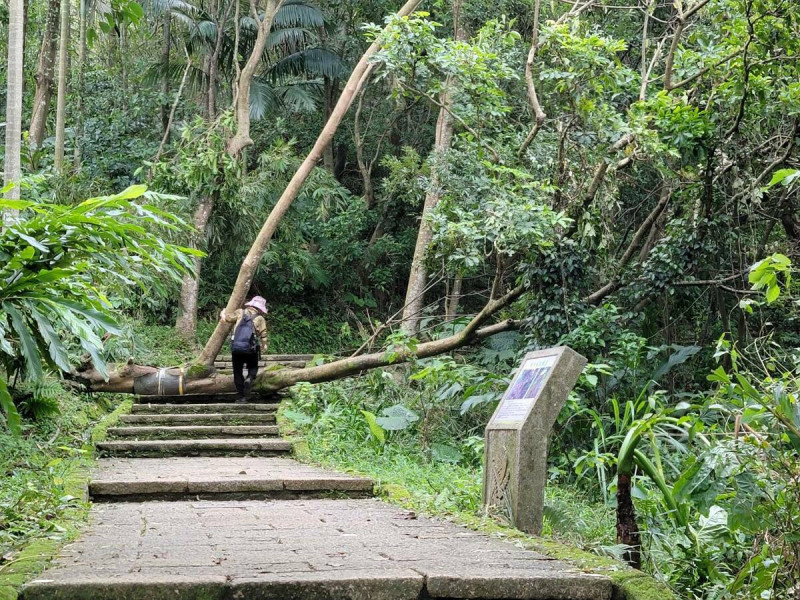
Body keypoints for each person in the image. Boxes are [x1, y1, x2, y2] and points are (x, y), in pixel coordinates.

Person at [220, 296, 269, 402]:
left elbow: (226, 319)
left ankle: (241, 395)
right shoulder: (260, 318)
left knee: (237, 371)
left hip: (237, 347)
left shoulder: (239, 312)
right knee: (253, 367)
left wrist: (223, 313)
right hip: (251, 348)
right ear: (260, 308)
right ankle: (249, 378)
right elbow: (263, 335)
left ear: (251, 304)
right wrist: (264, 345)